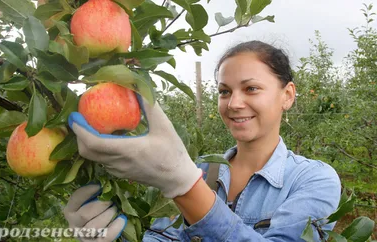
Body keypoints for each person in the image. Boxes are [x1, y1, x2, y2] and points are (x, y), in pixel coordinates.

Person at [63, 40, 342, 241]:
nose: (234, 103)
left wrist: (184, 187)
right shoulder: (200, 169)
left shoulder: (313, 179)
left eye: (251, 88)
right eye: (224, 91)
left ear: (288, 95)